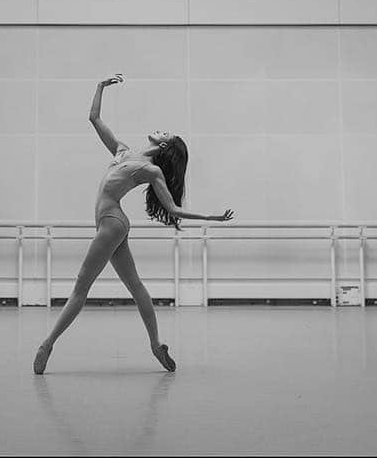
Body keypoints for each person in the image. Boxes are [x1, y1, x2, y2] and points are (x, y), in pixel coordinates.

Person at [33, 74, 234, 374]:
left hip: (112, 222)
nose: (158, 129)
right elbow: (94, 117)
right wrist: (100, 86)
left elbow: (174, 209)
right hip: (112, 223)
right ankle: (156, 345)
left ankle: (47, 345)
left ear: (164, 143)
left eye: (164, 131)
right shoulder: (123, 151)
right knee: (136, 286)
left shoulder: (152, 170)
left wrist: (211, 218)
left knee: (80, 288)